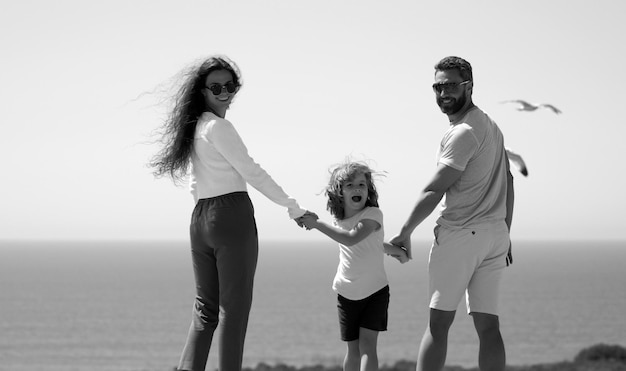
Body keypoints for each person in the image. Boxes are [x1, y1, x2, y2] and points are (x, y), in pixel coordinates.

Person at [149, 55, 307, 371]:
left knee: (204, 310)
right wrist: (293, 207)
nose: (224, 91)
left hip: (199, 220)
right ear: (203, 92)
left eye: (229, 85)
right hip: (230, 216)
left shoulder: (195, 129)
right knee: (233, 311)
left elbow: (196, 182)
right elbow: (252, 171)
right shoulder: (220, 127)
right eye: (216, 86)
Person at [389, 56, 515, 371]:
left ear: (468, 86)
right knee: (489, 327)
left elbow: (434, 190)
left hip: (460, 236)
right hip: (494, 237)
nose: (443, 92)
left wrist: (404, 232)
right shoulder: (490, 125)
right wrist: (505, 232)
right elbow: (509, 180)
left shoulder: (463, 132)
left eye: (450, 85)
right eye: (437, 85)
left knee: (438, 325)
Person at [299, 161, 409, 371]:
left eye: (362, 184)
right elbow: (371, 244)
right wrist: (396, 251)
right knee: (354, 350)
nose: (357, 188)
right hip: (347, 292)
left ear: (369, 190)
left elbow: (352, 239)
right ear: (339, 193)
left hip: (375, 291)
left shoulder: (373, 214)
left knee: (367, 347)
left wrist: (317, 224)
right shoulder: (339, 221)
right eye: (350, 185)